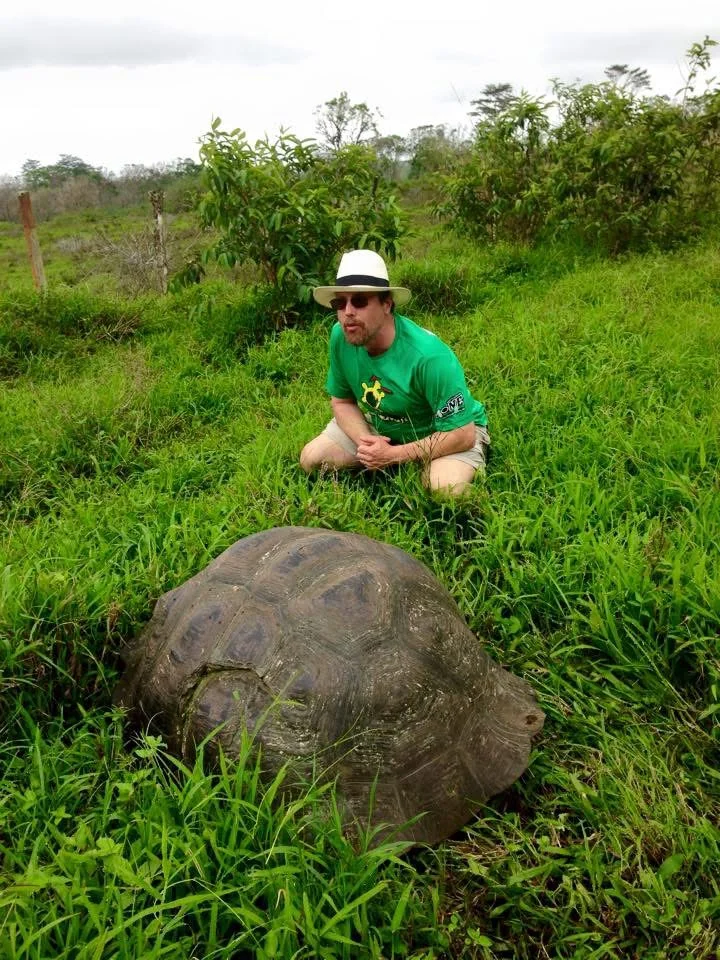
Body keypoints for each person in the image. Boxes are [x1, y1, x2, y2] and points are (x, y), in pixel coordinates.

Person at [300, 249, 490, 496]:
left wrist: (394, 456)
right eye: (340, 302)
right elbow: (342, 401)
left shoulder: (429, 356)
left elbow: (462, 434)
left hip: (443, 430)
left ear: (387, 304)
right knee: (312, 459)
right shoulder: (341, 336)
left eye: (359, 301)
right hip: (385, 424)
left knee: (446, 491)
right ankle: (387, 458)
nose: (347, 312)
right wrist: (366, 443)